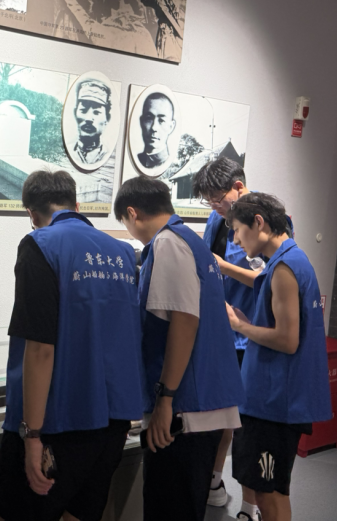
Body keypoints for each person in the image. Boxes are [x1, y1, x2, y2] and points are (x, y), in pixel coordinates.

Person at [0, 170, 144, 521]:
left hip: (58, 421)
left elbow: (40, 348)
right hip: (112, 421)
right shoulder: (122, 252)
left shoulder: (40, 245)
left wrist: (32, 435)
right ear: (76, 204)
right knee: (83, 513)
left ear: (31, 213)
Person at [114, 175, 244, 521]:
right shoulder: (191, 241)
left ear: (132, 213)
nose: (131, 231)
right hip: (201, 403)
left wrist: (165, 400)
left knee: (169, 506)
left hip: (185, 410)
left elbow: (184, 322)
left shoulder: (168, 243)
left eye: (125, 223)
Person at [227, 193, 331, 521]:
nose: (235, 239)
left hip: (275, 404)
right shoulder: (288, 259)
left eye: (237, 230)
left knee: (269, 493)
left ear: (258, 222)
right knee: (267, 489)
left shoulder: (285, 267)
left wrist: (240, 326)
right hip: (274, 399)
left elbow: (287, 340)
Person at [192, 157, 263, 520]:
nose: (215, 206)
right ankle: (213, 481)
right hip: (219, 330)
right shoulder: (215, 219)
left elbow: (268, 280)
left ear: (238, 186)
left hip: (250, 336)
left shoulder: (267, 218)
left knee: (246, 424)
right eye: (209, 201)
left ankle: (250, 506)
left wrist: (223, 267)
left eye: (218, 199)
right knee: (218, 415)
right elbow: (206, 263)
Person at [71, 79, 112, 167]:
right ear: (75, 113)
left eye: (96, 112)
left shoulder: (109, 156)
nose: (88, 119)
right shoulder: (68, 150)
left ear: (107, 118)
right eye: (83, 110)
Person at [137, 92, 177, 176]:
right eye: (149, 118)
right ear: (141, 122)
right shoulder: (138, 160)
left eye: (161, 120)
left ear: (171, 126)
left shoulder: (174, 167)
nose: (154, 128)